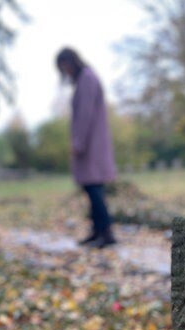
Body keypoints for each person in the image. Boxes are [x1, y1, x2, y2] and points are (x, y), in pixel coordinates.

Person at [56, 47, 117, 248]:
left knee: (94, 189)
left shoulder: (87, 80)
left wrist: (78, 142)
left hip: (91, 145)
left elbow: (85, 115)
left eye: (64, 67)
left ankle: (106, 232)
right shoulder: (85, 79)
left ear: (70, 62)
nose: (65, 72)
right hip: (91, 144)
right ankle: (98, 230)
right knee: (91, 189)